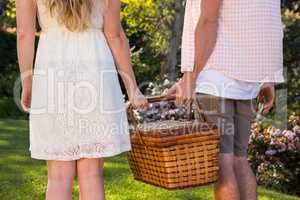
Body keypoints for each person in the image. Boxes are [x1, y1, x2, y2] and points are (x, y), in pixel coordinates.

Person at [16, 0, 148, 199]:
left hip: (52, 73)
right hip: (95, 71)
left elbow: (24, 34)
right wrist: (133, 89)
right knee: (92, 174)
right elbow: (115, 36)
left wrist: (28, 81)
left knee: (58, 177)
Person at [167, 0, 284, 199]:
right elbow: (268, 19)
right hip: (249, 79)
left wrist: (190, 77)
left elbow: (208, 21)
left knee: (222, 163)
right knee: (239, 159)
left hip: (215, 74)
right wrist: (268, 79)